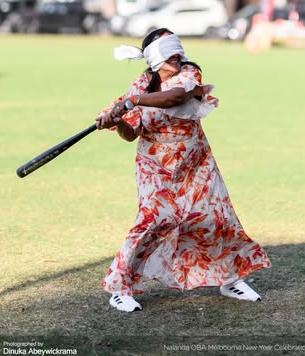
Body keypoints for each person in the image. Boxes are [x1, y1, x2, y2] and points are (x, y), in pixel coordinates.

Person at [96, 28, 271, 313]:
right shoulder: (141, 84)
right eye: (169, 53)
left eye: (178, 51)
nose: (178, 57)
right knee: (154, 220)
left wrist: (132, 102)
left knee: (217, 217)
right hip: (156, 165)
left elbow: (174, 98)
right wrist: (116, 120)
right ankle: (119, 288)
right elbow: (130, 134)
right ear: (155, 59)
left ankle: (230, 279)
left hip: (196, 160)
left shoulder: (189, 75)